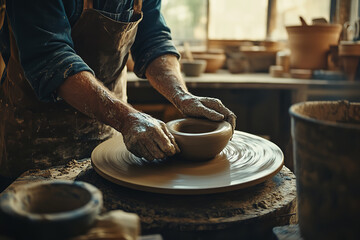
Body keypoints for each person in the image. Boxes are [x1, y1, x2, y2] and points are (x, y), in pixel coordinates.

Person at [0, 0, 236, 180]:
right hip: (38, 137)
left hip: (111, 128)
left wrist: (181, 96)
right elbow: (52, 58)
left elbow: (153, 40)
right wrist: (128, 118)